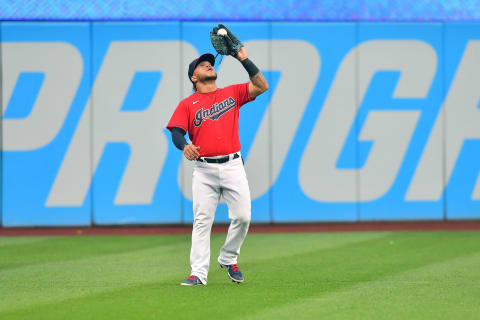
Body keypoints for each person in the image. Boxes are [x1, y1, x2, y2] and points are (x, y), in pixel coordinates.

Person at [167, 41, 268, 286]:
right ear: (194, 76)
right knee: (202, 221)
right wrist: (185, 145)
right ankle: (198, 274)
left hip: (233, 165)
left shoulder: (232, 93)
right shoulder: (187, 104)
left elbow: (261, 86)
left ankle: (228, 258)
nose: (208, 66)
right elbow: (177, 132)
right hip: (204, 169)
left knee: (243, 217)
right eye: (203, 65)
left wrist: (243, 58)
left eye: (210, 64)